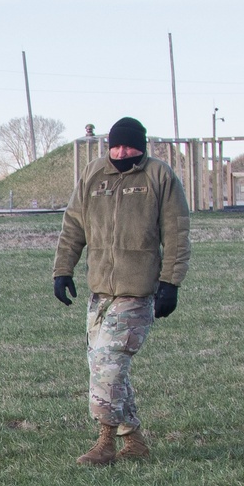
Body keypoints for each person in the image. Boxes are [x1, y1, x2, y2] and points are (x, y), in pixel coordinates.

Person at [52, 116, 191, 465]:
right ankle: (136, 441)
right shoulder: (93, 174)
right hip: (100, 291)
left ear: (141, 147)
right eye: (115, 145)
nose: (121, 151)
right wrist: (62, 270)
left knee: (108, 365)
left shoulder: (159, 176)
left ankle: (105, 442)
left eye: (128, 145)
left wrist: (171, 283)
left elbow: (176, 233)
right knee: (102, 366)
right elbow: (73, 224)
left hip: (137, 290)